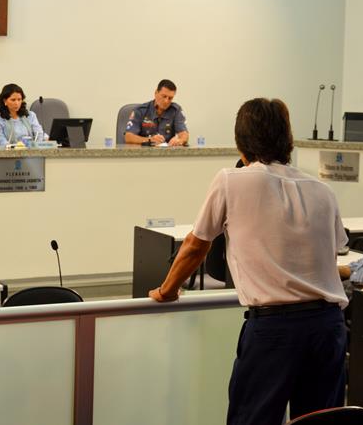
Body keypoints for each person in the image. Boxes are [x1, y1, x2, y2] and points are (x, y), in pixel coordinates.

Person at [149, 98, 348, 425]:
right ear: (288, 138)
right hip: (328, 327)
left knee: (252, 419)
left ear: (242, 143)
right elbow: (334, 248)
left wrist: (168, 290)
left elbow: (196, 245)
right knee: (321, 421)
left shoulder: (232, 180)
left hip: (274, 328)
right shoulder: (322, 189)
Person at [124, 79, 189, 146]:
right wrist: (150, 140)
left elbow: (184, 134)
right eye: (164, 96)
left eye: (170, 98)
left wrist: (180, 140)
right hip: (144, 153)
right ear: (156, 93)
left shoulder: (176, 110)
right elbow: (128, 137)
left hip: (167, 153)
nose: (166, 101)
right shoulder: (140, 110)